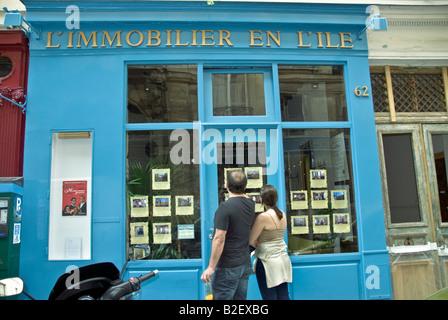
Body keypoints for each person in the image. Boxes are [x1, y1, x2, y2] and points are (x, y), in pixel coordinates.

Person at [200, 170, 255, 300]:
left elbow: (219, 238)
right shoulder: (250, 204)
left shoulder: (225, 208)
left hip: (228, 267)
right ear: (245, 187)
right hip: (244, 264)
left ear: (226, 185)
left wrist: (211, 267)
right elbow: (244, 196)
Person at [249, 184, 292, 300]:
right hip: (282, 259)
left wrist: (257, 241)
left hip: (267, 261)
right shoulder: (282, 214)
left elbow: (251, 240)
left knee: (269, 296)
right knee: (283, 295)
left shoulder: (263, 217)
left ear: (261, 199)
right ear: (276, 199)